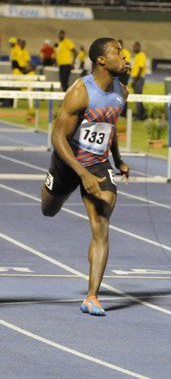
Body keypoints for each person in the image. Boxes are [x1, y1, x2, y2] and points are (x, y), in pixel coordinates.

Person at [40, 37, 130, 316]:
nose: (124, 57)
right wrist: (80, 173)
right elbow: (57, 137)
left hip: (98, 164)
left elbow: (109, 125)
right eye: (118, 52)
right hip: (68, 162)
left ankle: (92, 297)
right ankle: (59, 190)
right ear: (102, 60)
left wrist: (117, 159)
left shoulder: (122, 92)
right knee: (48, 210)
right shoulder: (80, 91)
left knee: (101, 226)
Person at [131, 41, 146, 120]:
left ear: (139, 47)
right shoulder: (137, 56)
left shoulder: (141, 55)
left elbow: (140, 69)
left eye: (134, 47)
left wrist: (134, 81)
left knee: (137, 98)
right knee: (138, 97)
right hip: (137, 78)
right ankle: (142, 114)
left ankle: (139, 116)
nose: (133, 49)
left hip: (138, 79)